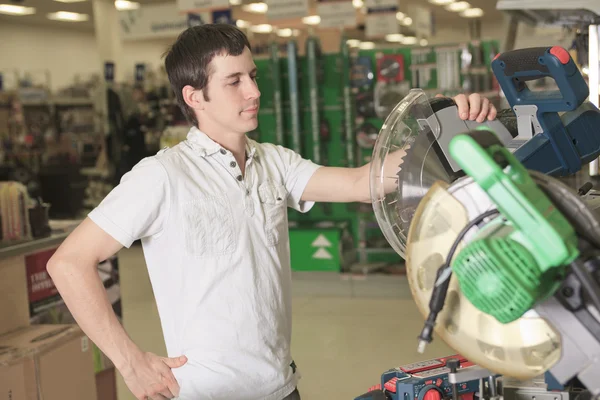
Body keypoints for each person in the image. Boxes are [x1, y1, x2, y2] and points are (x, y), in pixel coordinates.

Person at [46, 24, 498, 400]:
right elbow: (68, 263)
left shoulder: (273, 162)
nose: (254, 91)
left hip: (282, 387)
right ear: (194, 96)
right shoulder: (162, 176)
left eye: (253, 76)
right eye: (234, 81)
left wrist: (445, 125)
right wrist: (131, 362)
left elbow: (364, 181)